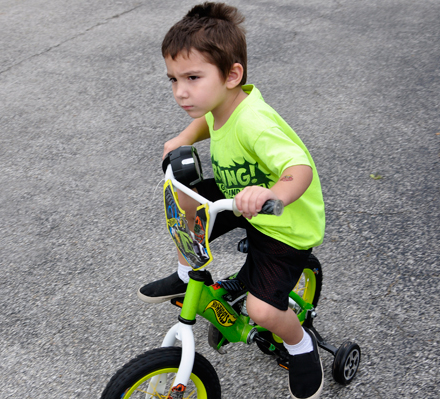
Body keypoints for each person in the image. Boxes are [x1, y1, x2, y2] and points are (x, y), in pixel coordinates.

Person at [137, 3, 326, 398]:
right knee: (184, 203)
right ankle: (187, 273)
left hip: (282, 221)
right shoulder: (220, 104)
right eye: (172, 79)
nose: (180, 91)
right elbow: (207, 120)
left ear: (232, 75)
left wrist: (274, 193)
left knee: (262, 311)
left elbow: (299, 167)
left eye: (192, 77)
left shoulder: (255, 122)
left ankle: (300, 346)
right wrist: (183, 139)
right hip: (240, 200)